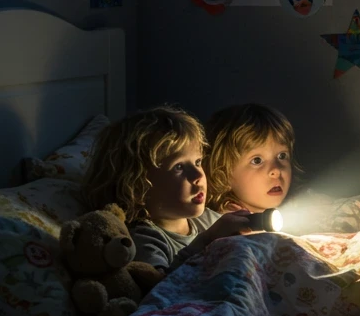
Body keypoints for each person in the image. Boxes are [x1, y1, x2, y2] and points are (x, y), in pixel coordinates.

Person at [80, 104, 254, 273]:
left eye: (198, 162)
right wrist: (208, 239)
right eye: (179, 167)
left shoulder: (208, 219)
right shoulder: (146, 239)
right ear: (137, 186)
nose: (198, 175)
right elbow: (162, 289)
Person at [204, 103, 298, 214]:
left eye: (282, 156)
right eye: (257, 160)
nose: (276, 171)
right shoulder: (215, 226)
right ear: (223, 173)